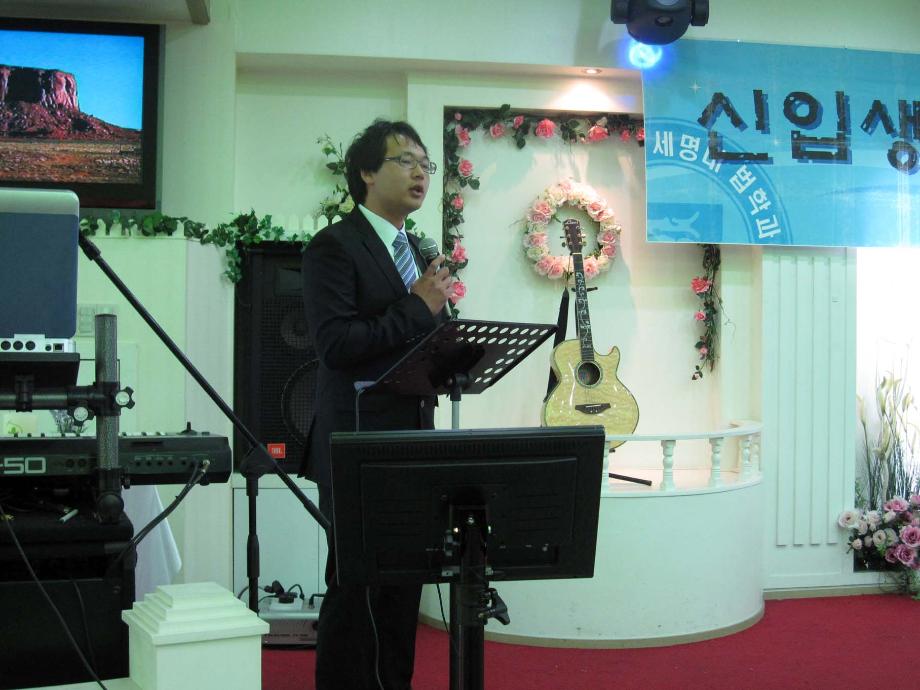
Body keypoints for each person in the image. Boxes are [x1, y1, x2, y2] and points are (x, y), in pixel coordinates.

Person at [300, 119, 451, 690]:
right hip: (358, 445)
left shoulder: (415, 249)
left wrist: (457, 351)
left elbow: (419, 340)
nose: (420, 173)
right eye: (404, 161)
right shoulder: (335, 246)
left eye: (426, 164)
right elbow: (336, 345)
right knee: (357, 588)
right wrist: (417, 307)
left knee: (402, 589)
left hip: (412, 443)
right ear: (366, 172)